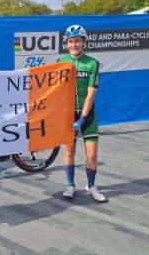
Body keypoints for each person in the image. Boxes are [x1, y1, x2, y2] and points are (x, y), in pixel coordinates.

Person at [57, 25, 106, 202]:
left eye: (77, 41)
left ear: (83, 42)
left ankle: (91, 186)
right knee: (69, 152)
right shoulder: (61, 62)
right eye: (70, 41)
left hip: (88, 115)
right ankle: (70, 185)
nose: (74, 44)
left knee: (92, 154)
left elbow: (91, 93)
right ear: (67, 44)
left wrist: (83, 117)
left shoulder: (93, 63)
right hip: (68, 115)